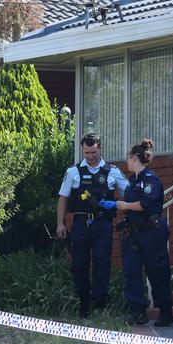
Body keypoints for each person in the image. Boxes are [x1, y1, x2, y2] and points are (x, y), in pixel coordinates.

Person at [100, 139, 173, 327]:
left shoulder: (150, 180)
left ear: (134, 158)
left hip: (152, 234)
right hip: (133, 235)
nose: (126, 162)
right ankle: (138, 312)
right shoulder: (132, 182)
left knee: (157, 273)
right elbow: (131, 206)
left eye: (128, 158)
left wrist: (125, 205)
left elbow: (146, 204)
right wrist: (117, 205)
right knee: (131, 272)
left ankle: (165, 313)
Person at [56, 132, 129, 318]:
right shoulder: (73, 172)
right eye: (86, 152)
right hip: (80, 223)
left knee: (102, 263)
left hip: (102, 224)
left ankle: (100, 302)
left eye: (93, 152)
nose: (90, 156)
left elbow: (129, 193)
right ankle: (84, 302)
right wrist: (60, 224)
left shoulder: (112, 171)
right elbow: (63, 199)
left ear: (100, 148)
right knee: (79, 265)